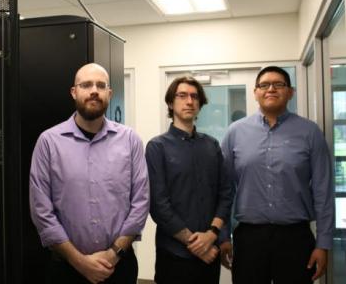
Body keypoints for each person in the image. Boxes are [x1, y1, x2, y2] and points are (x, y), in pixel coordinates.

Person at [29, 63, 149, 284]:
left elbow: (140, 203)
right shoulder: (49, 142)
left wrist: (113, 254)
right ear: (74, 92)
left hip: (119, 267)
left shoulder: (130, 140)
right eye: (86, 85)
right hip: (66, 270)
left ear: (109, 94)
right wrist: (80, 262)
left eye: (100, 85)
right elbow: (41, 211)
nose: (94, 90)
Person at [220, 66, 334, 284]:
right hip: (249, 238)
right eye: (264, 85)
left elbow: (323, 191)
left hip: (296, 239)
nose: (270, 89)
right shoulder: (235, 132)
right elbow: (225, 189)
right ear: (255, 92)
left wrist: (323, 243)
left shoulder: (310, 132)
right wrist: (223, 235)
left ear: (290, 92)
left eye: (278, 84)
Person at [145, 76, 233, 284]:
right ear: (170, 102)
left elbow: (226, 193)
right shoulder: (157, 147)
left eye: (194, 97)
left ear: (200, 104)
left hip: (210, 251)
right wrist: (195, 244)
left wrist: (213, 235)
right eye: (182, 96)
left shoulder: (211, 145)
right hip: (174, 254)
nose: (189, 101)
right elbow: (158, 205)